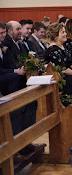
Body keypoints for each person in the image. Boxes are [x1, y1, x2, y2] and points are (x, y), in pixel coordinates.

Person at [0, 21, 46, 162]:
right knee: (17, 109)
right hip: (7, 87)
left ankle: (26, 141)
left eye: (3, 32)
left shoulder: (3, 46)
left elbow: (9, 64)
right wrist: (15, 71)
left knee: (31, 104)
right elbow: (9, 68)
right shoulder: (6, 44)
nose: (3, 35)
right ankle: (16, 147)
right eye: (1, 33)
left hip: (13, 82)